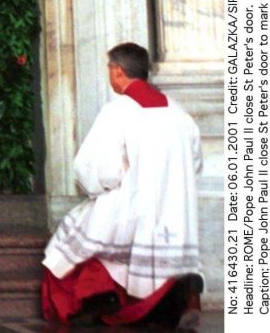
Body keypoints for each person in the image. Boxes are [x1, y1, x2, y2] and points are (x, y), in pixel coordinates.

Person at [41, 42, 204, 328]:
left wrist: (95, 189)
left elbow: (98, 171)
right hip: (176, 212)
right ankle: (184, 291)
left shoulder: (118, 112)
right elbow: (196, 163)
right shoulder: (179, 113)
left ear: (118, 71)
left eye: (109, 69)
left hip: (135, 206)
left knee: (74, 236)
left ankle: (104, 300)